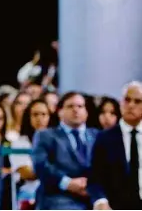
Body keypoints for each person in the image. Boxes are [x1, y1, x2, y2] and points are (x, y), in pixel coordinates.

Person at [32, 91, 98, 209]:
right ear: (60, 112)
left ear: (86, 112)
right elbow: (40, 165)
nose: (75, 110)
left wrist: (91, 186)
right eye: (70, 106)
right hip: (58, 196)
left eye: (80, 106)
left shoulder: (97, 136)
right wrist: (68, 183)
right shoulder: (45, 135)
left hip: (94, 195)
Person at [88, 81, 142, 210]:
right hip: (116, 205)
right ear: (120, 103)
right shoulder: (104, 138)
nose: (131, 105)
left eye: (137, 101)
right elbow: (95, 179)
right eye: (127, 100)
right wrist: (100, 201)